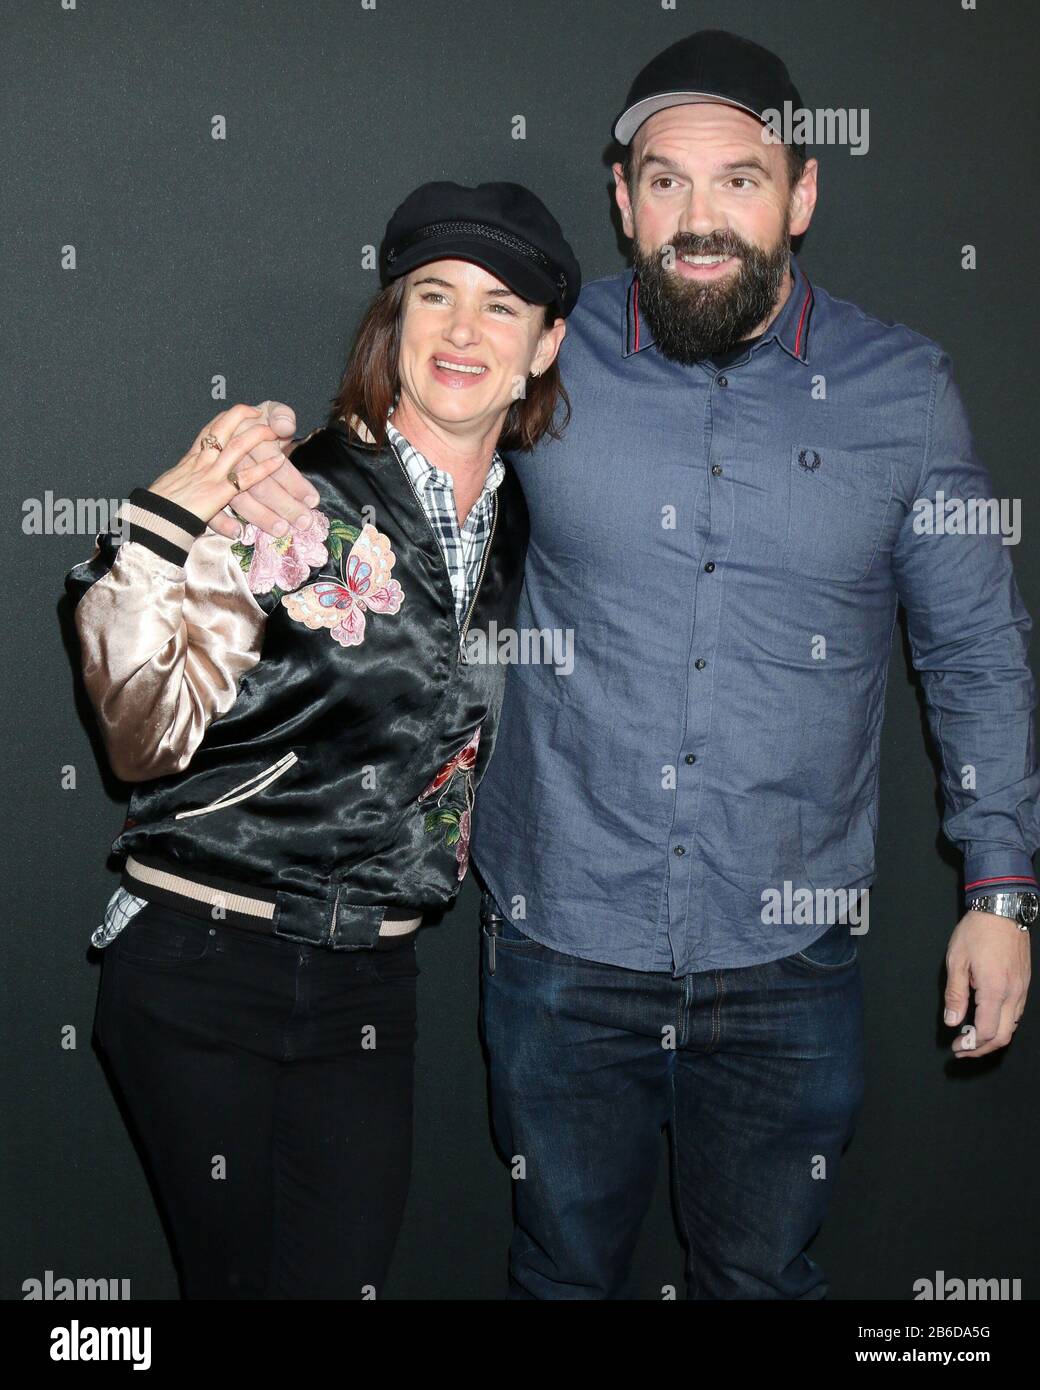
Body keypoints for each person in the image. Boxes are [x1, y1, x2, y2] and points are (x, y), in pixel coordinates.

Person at [227, 28, 1037, 1300]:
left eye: (739, 178)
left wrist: (999, 890)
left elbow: (976, 650)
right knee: (561, 1275)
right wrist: (252, 459)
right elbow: (384, 465)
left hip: (789, 957)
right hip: (558, 942)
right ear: (622, 198)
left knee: (763, 1280)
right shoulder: (542, 354)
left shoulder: (905, 392)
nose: (699, 216)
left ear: (801, 193)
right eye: (665, 180)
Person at [64, 179, 579, 1299]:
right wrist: (161, 528)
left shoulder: (523, 524)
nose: (461, 330)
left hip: (370, 979)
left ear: (543, 345)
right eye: (433, 294)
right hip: (205, 959)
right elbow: (140, 741)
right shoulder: (281, 491)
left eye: (501, 306)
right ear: (392, 322)